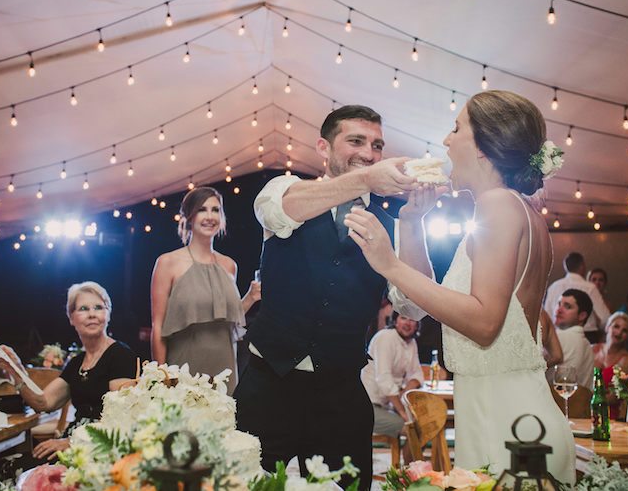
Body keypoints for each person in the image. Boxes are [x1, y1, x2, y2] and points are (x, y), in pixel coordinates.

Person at [345, 90, 576, 483]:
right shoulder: (519, 208)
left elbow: (484, 323)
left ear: (485, 148)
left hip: (511, 425)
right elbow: (421, 306)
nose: (447, 141)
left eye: (456, 129)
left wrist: (387, 263)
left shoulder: (498, 205)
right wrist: (413, 224)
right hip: (505, 410)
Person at [235, 104, 424, 491]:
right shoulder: (286, 190)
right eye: (355, 141)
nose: (369, 153)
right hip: (267, 384)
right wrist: (367, 179)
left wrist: (415, 222)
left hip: (340, 394)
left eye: (377, 145)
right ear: (323, 147)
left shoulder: (392, 227)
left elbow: (413, 304)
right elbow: (280, 213)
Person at [0, 282, 137, 461]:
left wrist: (71, 442)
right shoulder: (77, 362)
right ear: (71, 317)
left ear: (108, 314)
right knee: (6, 467)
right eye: (84, 308)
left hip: (100, 447)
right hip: (72, 441)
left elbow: (120, 418)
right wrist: (16, 371)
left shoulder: (121, 355)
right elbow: (43, 402)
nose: (92, 314)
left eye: (99, 307)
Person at [150, 186, 261, 393]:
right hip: (183, 367)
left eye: (216, 210)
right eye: (202, 209)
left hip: (224, 368)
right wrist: (161, 376)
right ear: (188, 217)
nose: (210, 216)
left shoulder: (229, 265)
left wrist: (251, 297)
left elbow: (227, 318)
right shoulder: (167, 263)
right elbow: (157, 326)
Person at [361, 311, 423, 463]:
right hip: (365, 406)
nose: (407, 323)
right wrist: (402, 410)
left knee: (421, 425)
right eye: (403, 318)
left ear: (417, 324)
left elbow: (417, 375)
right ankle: (412, 475)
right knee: (413, 429)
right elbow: (384, 379)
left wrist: (404, 392)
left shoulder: (411, 343)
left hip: (385, 406)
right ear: (395, 321)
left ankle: (412, 471)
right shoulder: (386, 337)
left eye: (412, 319)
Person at [543, 252, 610, 337]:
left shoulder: (554, 286)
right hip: (586, 334)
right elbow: (605, 318)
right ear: (582, 266)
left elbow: (547, 315)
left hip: (558, 334)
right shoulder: (590, 287)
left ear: (565, 267)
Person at [545, 289, 594, 389]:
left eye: (567, 307)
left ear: (582, 316)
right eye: (559, 304)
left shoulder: (559, 337)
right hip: (579, 402)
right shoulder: (587, 344)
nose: (558, 310)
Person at [592, 311, 628, 420]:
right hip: (584, 408)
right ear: (607, 327)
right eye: (616, 326)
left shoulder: (627, 359)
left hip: (609, 412)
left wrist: (591, 398)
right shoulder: (592, 349)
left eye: (624, 330)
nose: (619, 332)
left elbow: (615, 396)